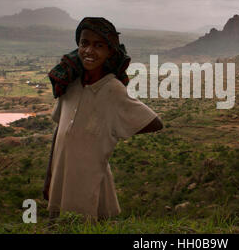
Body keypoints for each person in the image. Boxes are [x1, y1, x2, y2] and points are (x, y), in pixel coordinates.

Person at [44, 17, 163, 222]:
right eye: (84, 43)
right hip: (62, 178)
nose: (89, 51)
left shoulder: (113, 90)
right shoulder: (69, 84)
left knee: (89, 223)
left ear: (110, 51)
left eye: (98, 45)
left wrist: (112, 130)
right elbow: (60, 131)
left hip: (92, 179)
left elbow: (155, 122)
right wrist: (49, 176)